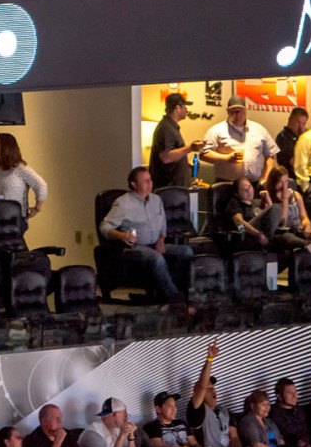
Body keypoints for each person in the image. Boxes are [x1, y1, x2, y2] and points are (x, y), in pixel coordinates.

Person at [99, 167, 190, 301]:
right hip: (134, 248)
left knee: (186, 251)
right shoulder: (123, 203)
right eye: (145, 181)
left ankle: (170, 290)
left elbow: (162, 225)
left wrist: (161, 240)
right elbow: (104, 226)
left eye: (150, 180)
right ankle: (174, 297)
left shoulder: (156, 200)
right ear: (134, 184)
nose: (150, 183)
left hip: (155, 243)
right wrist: (122, 235)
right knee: (156, 258)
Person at [202, 96, 279, 183]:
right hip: (227, 185)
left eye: (240, 110)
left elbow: (271, 155)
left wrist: (265, 178)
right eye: (233, 111)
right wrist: (226, 158)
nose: (237, 114)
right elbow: (204, 154)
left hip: (254, 184)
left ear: (246, 111)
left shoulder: (259, 129)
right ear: (227, 112)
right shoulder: (217, 130)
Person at [0, 132, 47, 217]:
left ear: (6, 148)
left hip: (14, 219)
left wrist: (37, 208)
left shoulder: (20, 169)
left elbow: (41, 185)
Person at [150, 93, 202, 189]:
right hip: (169, 191)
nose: (187, 109)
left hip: (175, 190)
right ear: (178, 107)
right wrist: (191, 148)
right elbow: (166, 157)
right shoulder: (165, 128)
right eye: (185, 106)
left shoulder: (170, 127)